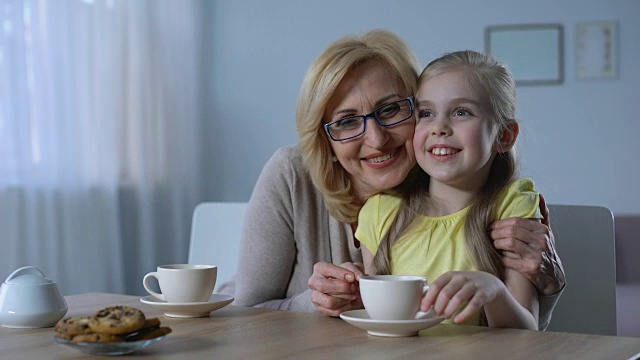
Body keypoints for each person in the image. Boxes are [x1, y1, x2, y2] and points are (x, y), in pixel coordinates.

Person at [224, 30, 564, 330]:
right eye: (346, 122)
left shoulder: (461, 180)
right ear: (324, 139)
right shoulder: (293, 175)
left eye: (390, 110)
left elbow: (521, 328)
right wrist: (316, 303)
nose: (376, 139)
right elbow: (247, 314)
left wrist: (547, 284)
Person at [357, 50, 538, 329]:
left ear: (504, 136)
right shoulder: (380, 212)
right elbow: (377, 320)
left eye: (462, 112)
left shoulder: (512, 206)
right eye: (426, 113)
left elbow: (527, 331)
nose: (439, 127)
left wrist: (495, 292)